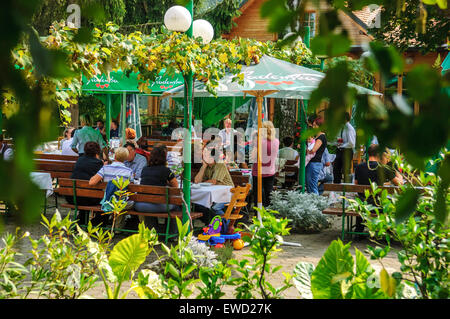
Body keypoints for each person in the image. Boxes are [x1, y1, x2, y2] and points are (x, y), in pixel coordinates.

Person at [354, 144, 403, 233]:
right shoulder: (384, 168)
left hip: (362, 204)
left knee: (363, 199)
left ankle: (359, 231)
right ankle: (387, 231)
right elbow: (400, 183)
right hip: (379, 205)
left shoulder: (358, 167)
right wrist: (396, 170)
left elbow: (356, 185)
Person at [134, 145, 179, 230]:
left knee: (150, 201)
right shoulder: (166, 170)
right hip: (160, 206)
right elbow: (175, 187)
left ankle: (152, 231)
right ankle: (172, 234)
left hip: (140, 205)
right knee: (177, 205)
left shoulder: (145, 169)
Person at [89, 147, 134, 228]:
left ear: (115, 156)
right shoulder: (128, 171)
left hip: (106, 200)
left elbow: (91, 182)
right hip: (120, 202)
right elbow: (132, 187)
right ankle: (118, 227)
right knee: (126, 200)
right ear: (126, 158)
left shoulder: (105, 168)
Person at [66, 142, 104, 224]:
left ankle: (81, 220)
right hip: (89, 199)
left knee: (85, 193)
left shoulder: (79, 160)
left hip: (72, 197)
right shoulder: (98, 163)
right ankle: (97, 221)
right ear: (97, 151)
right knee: (103, 198)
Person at [194, 146, 234, 225]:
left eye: (206, 155)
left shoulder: (220, 165)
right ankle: (212, 226)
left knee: (215, 208)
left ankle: (227, 226)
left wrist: (201, 183)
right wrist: (203, 167)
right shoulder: (207, 166)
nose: (203, 156)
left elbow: (213, 181)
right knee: (199, 205)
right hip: (215, 194)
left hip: (227, 194)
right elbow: (196, 181)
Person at [251, 121, 279, 208]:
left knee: (258, 195)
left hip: (258, 172)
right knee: (268, 193)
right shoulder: (276, 141)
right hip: (270, 171)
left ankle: (258, 214)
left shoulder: (260, 142)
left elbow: (252, 156)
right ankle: (268, 213)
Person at [305, 115, 327, 195]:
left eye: (315, 126)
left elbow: (313, 150)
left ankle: (316, 204)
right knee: (310, 185)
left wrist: (306, 149)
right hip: (312, 163)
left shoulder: (321, 137)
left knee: (312, 186)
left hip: (314, 163)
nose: (313, 127)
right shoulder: (317, 136)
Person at [333, 112, 356, 184]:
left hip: (347, 151)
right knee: (336, 169)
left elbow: (352, 143)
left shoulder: (350, 128)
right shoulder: (341, 127)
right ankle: (337, 185)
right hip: (340, 150)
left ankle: (346, 188)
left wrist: (341, 146)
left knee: (346, 170)